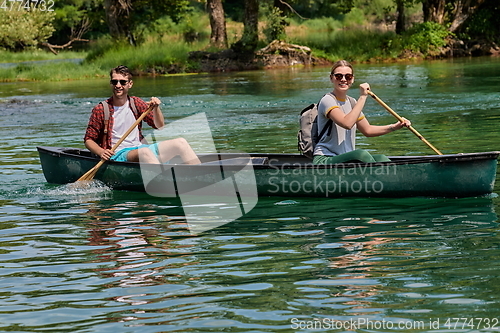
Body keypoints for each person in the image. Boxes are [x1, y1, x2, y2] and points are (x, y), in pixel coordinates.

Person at [84, 65, 201, 165]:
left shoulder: (136, 103)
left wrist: (156, 108)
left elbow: (159, 126)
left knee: (180, 142)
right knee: (145, 152)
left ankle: (203, 177)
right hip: (117, 154)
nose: (118, 85)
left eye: (122, 82)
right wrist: (101, 152)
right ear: (111, 83)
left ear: (130, 84)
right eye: (115, 81)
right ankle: (167, 182)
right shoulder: (101, 109)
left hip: (139, 148)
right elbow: (89, 139)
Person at [313, 60, 411, 164]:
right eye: (338, 76)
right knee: (360, 154)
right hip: (325, 159)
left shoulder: (351, 102)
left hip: (346, 160)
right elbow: (347, 123)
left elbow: (367, 130)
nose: (343, 79)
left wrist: (395, 126)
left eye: (348, 77)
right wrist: (363, 97)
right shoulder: (328, 100)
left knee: (381, 158)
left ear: (352, 79)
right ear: (331, 78)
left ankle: (394, 178)